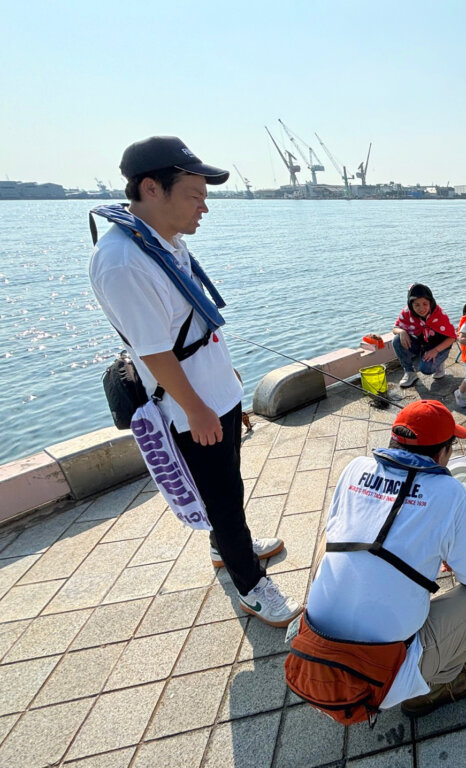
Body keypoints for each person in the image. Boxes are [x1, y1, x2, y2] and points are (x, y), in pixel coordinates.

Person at [89, 136, 300, 626]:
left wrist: (224, 379)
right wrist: (198, 409)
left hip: (213, 389)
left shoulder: (161, 240)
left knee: (229, 483)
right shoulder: (122, 261)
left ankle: (232, 547)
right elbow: (153, 350)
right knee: (222, 497)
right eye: (194, 194)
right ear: (151, 188)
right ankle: (251, 586)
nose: (204, 207)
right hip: (189, 406)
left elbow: (188, 324)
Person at [303, 400, 466, 718]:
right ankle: (438, 683)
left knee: (334, 536)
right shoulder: (451, 492)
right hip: (377, 679)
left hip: (312, 650)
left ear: (394, 440)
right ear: (443, 453)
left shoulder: (355, 467)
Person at [393, 283, 457, 388]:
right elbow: (395, 328)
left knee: (426, 369)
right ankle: (410, 373)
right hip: (421, 344)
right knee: (396, 340)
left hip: (439, 346)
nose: (421, 308)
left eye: (425, 304)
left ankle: (439, 363)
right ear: (411, 305)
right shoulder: (407, 313)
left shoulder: (438, 314)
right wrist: (402, 332)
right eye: (417, 305)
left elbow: (452, 337)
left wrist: (435, 350)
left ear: (430, 302)